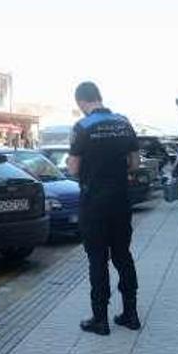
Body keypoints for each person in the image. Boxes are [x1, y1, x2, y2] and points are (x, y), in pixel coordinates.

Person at [67, 81, 141, 336]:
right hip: (121, 200)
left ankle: (101, 319)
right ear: (99, 96)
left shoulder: (82, 127)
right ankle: (131, 314)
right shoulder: (123, 123)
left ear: (81, 102)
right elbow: (134, 163)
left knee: (98, 259)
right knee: (123, 255)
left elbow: (74, 169)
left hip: (94, 203)